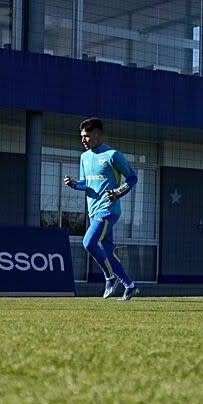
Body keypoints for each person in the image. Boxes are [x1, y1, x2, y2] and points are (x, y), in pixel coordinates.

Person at [64, 118, 140, 301]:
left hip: (108, 210)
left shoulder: (113, 155)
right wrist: (74, 184)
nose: (83, 140)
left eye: (87, 136)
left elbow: (132, 178)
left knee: (88, 242)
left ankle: (110, 278)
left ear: (97, 135)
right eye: (81, 136)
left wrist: (117, 192)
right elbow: (86, 184)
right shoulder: (84, 157)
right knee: (107, 252)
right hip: (93, 211)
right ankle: (130, 286)